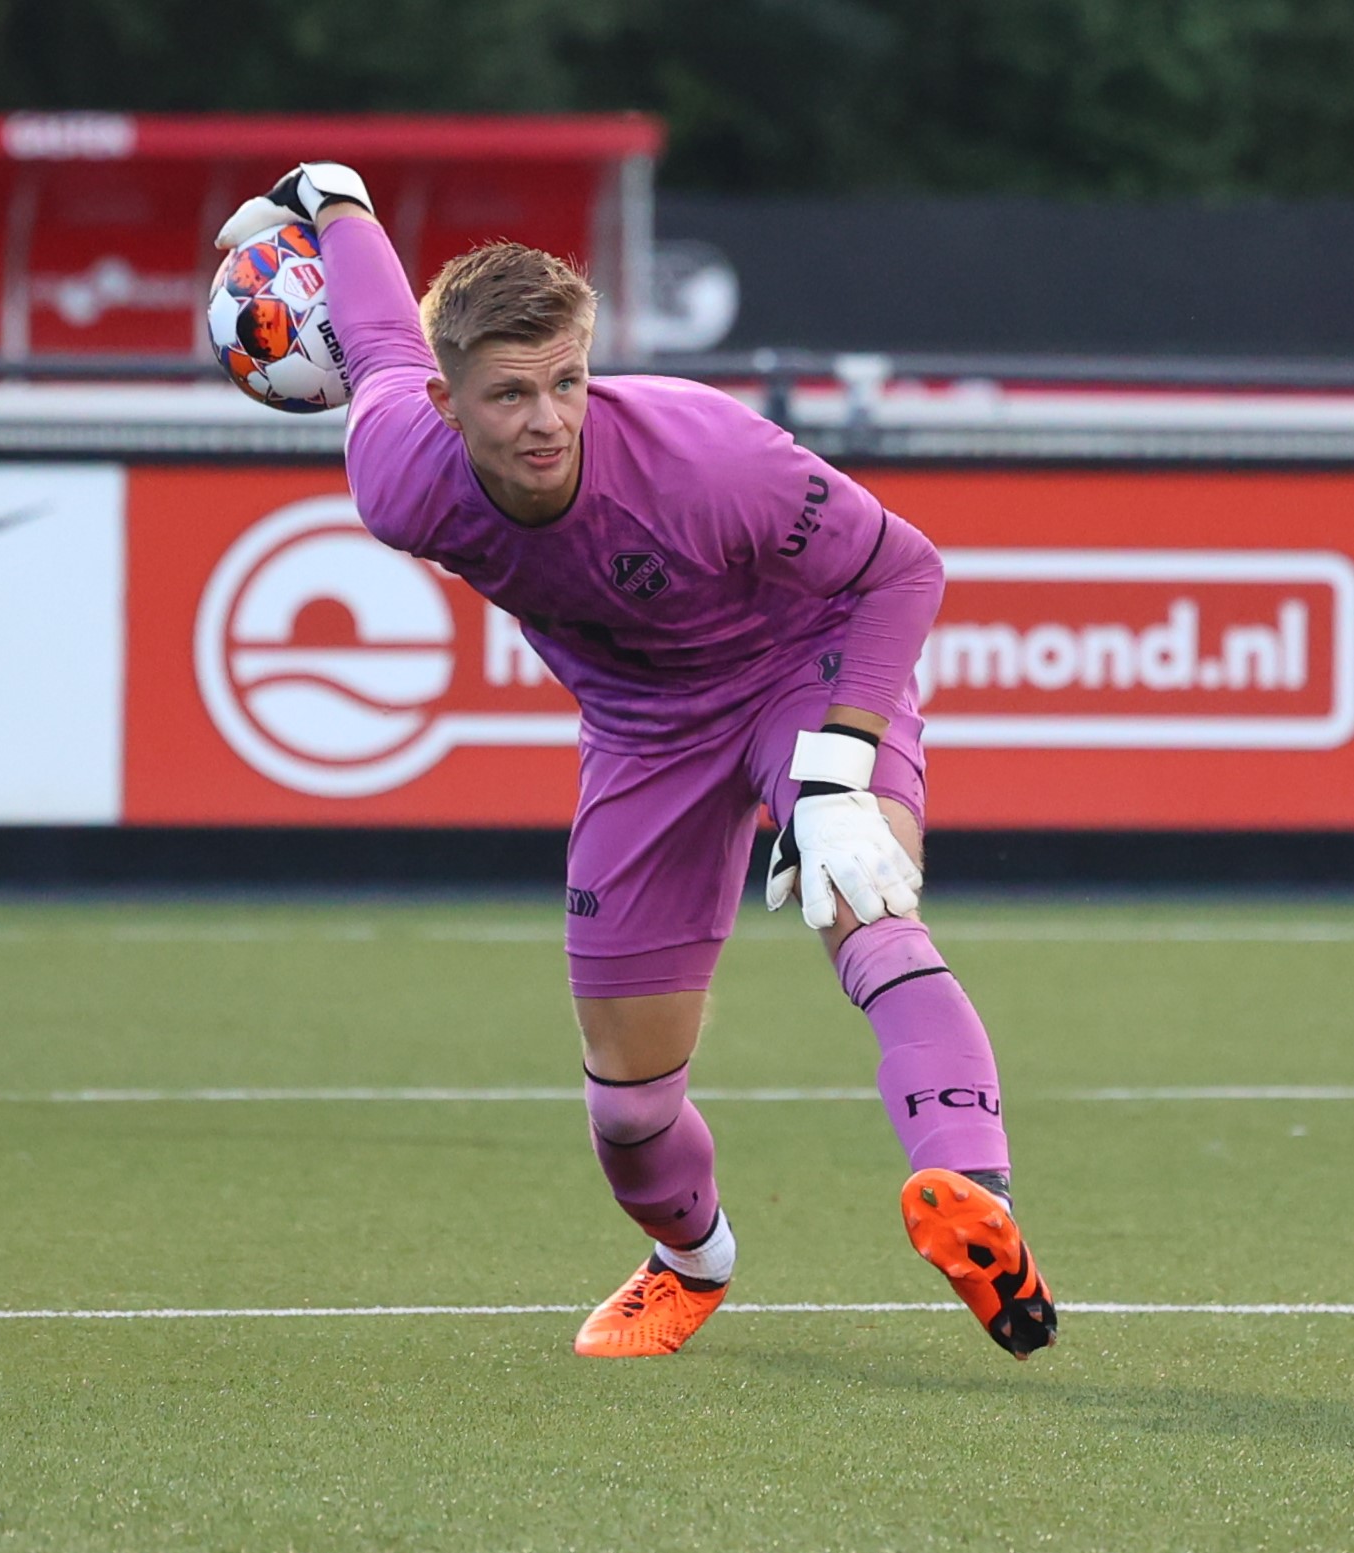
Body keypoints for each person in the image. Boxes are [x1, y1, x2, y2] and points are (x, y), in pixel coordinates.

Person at [217, 164, 1057, 1362]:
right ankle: (692, 1261)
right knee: (627, 1103)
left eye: (567, 381)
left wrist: (837, 770)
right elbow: (377, 337)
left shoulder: (703, 454)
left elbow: (904, 569)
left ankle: (975, 1199)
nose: (548, 417)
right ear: (449, 407)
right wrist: (334, 200)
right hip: (643, 730)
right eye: (509, 394)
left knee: (862, 893)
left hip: (798, 669)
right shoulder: (402, 478)